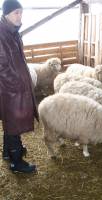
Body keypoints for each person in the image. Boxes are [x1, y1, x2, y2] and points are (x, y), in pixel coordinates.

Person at [0, 0, 39, 173]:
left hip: (13, 89)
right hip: (10, 90)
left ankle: (8, 153)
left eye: (21, 12)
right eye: (16, 12)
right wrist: (17, 83)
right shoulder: (2, 34)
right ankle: (17, 163)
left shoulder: (12, 32)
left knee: (10, 122)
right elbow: (1, 66)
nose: (20, 16)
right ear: (6, 13)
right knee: (14, 124)